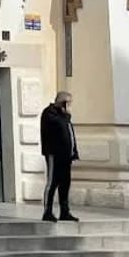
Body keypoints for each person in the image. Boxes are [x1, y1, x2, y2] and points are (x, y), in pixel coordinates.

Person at [40, 90, 79, 222]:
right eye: (69, 103)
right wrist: (65, 116)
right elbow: (57, 127)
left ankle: (65, 211)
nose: (70, 106)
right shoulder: (49, 113)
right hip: (54, 155)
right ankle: (47, 212)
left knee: (65, 183)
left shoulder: (64, 116)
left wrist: (74, 151)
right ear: (63, 103)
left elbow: (69, 134)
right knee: (52, 183)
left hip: (66, 157)